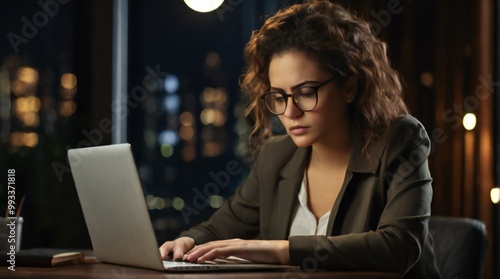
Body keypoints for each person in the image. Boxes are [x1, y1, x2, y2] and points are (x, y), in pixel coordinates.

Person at [160, 1, 441, 278]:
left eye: (306, 92)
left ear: (349, 87)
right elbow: (219, 229)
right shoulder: (275, 156)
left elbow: (398, 247)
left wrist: (281, 250)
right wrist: (188, 242)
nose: (290, 112)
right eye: (279, 97)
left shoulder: (400, 139)